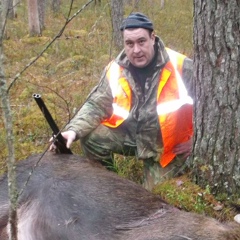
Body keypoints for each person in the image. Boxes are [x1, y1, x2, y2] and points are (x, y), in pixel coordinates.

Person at [50, 12, 194, 191]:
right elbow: (96, 104)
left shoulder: (182, 66)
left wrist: (196, 142)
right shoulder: (115, 69)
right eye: (130, 43)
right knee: (91, 137)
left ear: (153, 38)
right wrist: (72, 131)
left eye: (141, 41)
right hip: (134, 136)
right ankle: (109, 186)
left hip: (168, 148)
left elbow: (214, 109)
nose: (136, 50)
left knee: (148, 199)